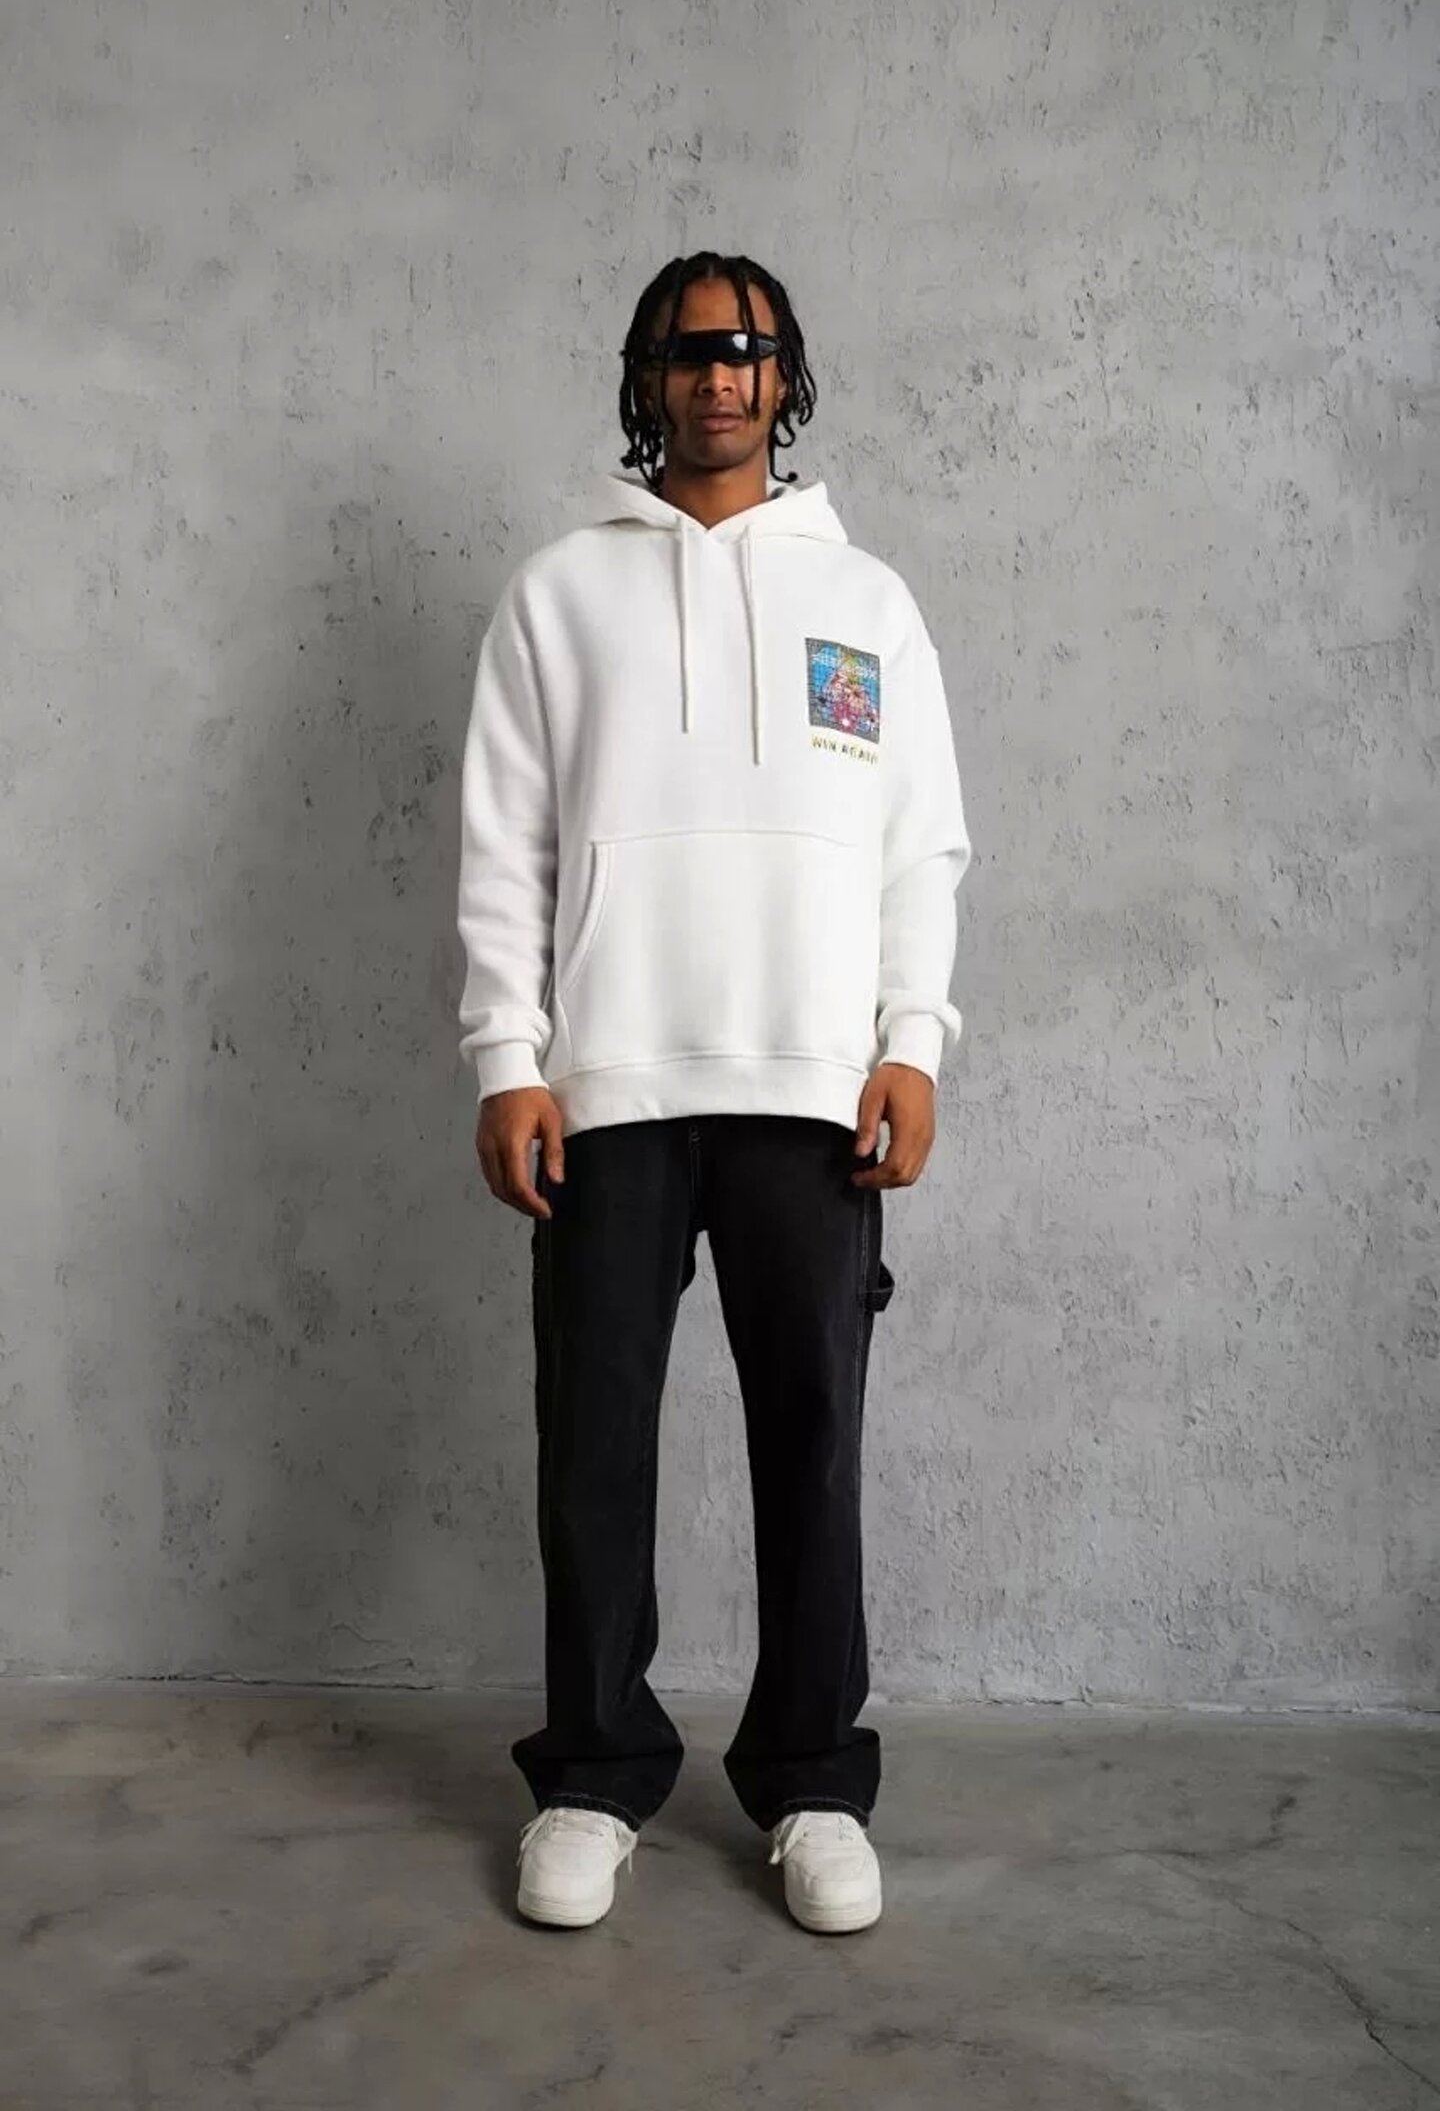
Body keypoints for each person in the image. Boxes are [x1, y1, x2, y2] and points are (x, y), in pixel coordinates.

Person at [456, 251, 972, 1934]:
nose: (720, 375)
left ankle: (815, 1781)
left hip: (812, 1088)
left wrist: (912, 1043)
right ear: (648, 380)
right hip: (607, 1084)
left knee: (812, 1439)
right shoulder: (559, 595)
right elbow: (507, 846)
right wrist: (508, 1058)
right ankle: (595, 1777)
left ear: (785, 376)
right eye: (689, 353)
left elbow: (920, 849)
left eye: (748, 350)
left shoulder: (868, 603)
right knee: (594, 1445)